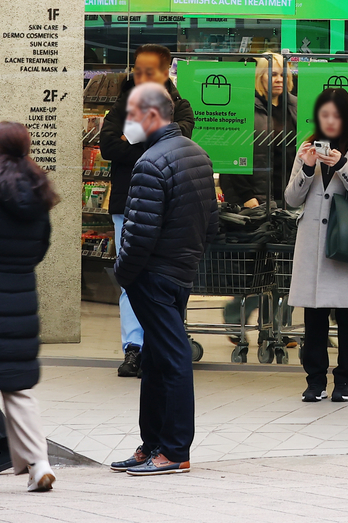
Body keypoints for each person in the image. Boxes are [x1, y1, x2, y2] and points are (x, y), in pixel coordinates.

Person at [110, 82, 218, 477]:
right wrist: (187, 260)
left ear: (153, 115)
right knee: (156, 359)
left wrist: (123, 274)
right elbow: (212, 223)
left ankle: (173, 449)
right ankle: (152, 444)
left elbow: (137, 236)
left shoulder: (150, 163)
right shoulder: (198, 155)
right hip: (179, 272)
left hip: (152, 275)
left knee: (170, 359)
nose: (130, 125)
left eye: (134, 116)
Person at [0, 123, 58, 494]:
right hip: (21, 301)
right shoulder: (39, 196)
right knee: (18, 389)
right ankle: (40, 464)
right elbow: (39, 250)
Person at [97, 44, 195, 378]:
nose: (141, 77)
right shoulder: (122, 104)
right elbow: (109, 147)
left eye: (149, 71)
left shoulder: (181, 107)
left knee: (165, 277)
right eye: (137, 70)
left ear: (166, 71)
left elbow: (177, 140)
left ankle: (160, 346)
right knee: (130, 278)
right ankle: (134, 349)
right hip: (127, 204)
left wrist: (132, 139)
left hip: (170, 208)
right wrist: (143, 135)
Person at [284, 88, 348, 403]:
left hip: (347, 245)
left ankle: (345, 381)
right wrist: (308, 168)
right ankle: (315, 381)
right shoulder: (307, 148)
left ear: (347, 117)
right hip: (313, 245)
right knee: (314, 317)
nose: (330, 121)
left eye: (336, 116)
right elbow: (291, 198)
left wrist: (342, 166)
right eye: (324, 115)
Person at [221, 52, 297, 210]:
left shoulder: (296, 107)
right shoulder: (244, 107)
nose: (279, 80)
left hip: (290, 197)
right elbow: (231, 156)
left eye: (283, 75)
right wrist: (247, 196)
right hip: (253, 200)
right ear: (260, 76)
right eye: (273, 74)